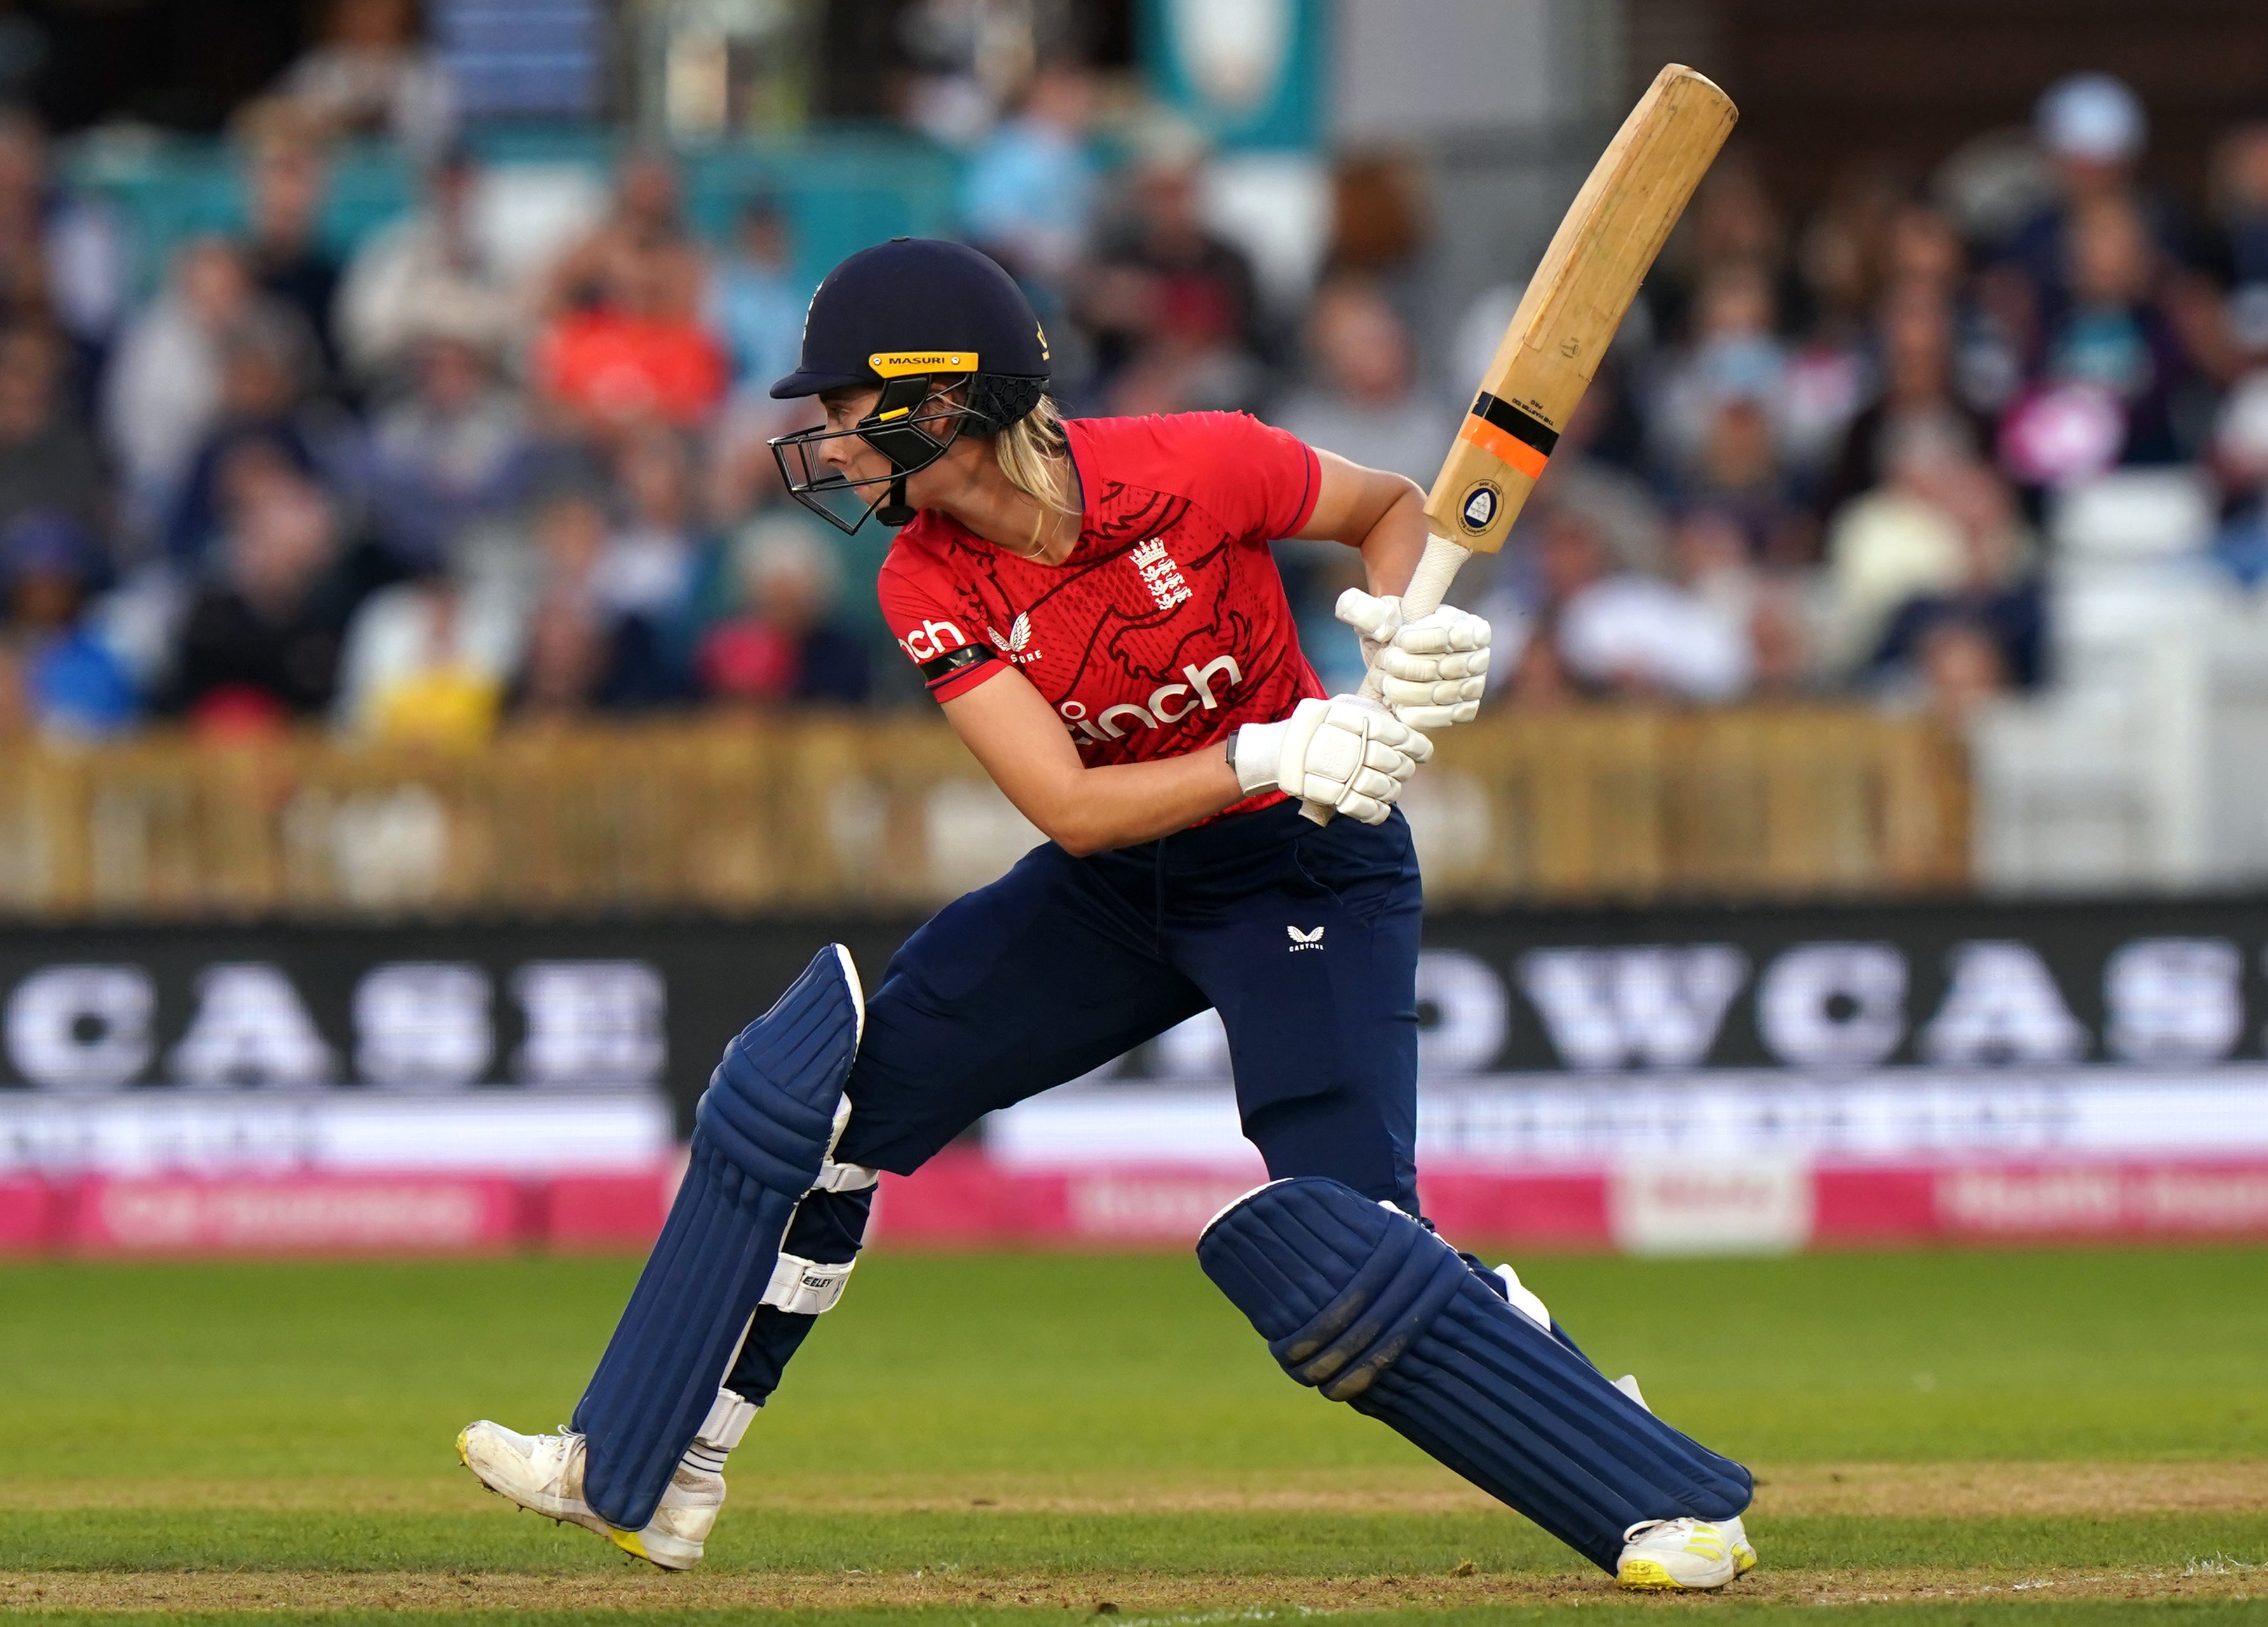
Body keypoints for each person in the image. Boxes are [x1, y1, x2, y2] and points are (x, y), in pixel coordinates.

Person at [456, 239, 1755, 1593]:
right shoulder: (927, 580)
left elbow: (1393, 507)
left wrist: (1393, 637)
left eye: (842, 414)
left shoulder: (1201, 461)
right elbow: (1071, 809)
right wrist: (1266, 750)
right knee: (829, 1121)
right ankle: (663, 1465)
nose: (826, 447)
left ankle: (1654, 1484)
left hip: (1307, 870)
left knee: (1349, 1239)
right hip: (1119, 880)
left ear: (937, 406)